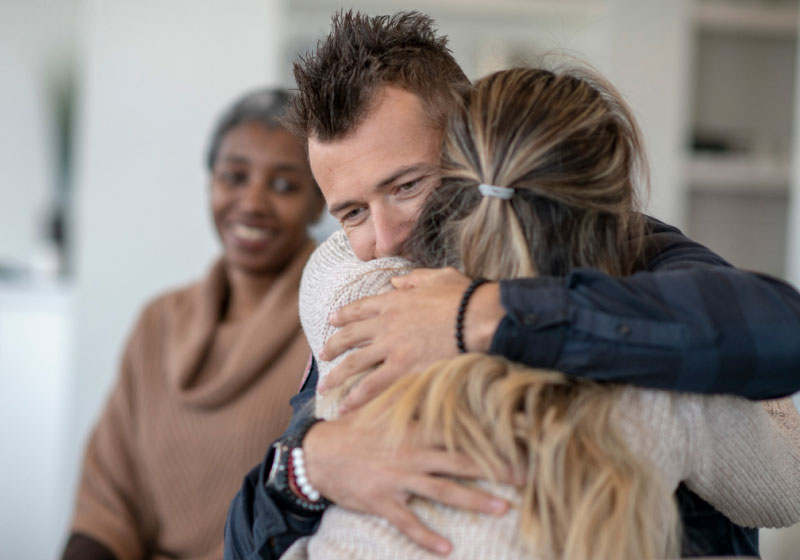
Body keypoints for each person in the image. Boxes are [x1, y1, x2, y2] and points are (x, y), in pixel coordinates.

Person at [224, 11, 800, 559]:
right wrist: (306, 470)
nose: (388, 236)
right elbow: (246, 541)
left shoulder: (628, 252)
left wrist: (482, 314)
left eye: (406, 186)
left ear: (471, 141)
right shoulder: (363, 288)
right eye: (351, 213)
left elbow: (780, 333)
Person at [62, 89, 324, 560]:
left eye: (284, 185)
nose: (252, 203)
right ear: (210, 184)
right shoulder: (159, 321)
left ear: (318, 204)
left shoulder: (331, 325)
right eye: (234, 177)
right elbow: (106, 498)